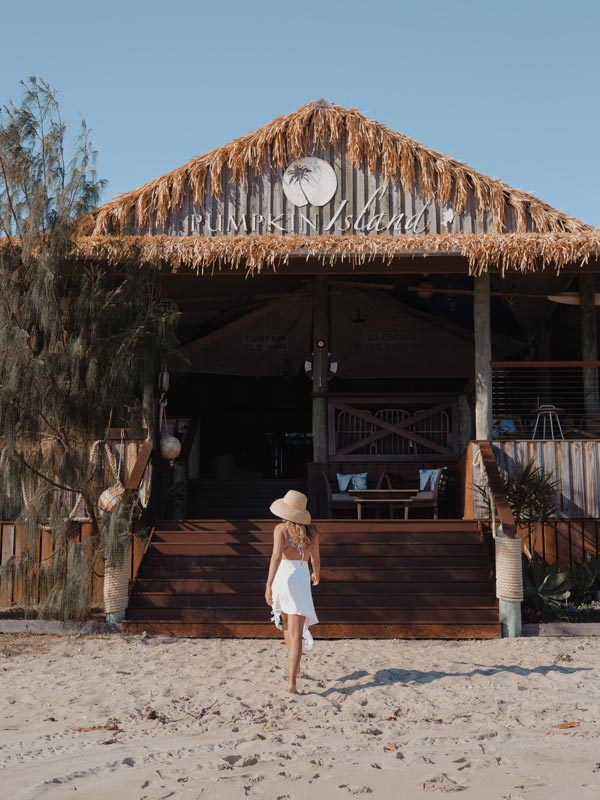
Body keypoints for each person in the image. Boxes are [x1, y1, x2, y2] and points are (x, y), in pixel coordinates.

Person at [265, 489, 320, 693]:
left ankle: (294, 671)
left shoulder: (280, 529)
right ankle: (292, 681)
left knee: (288, 627)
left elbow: (276, 557)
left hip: (283, 576)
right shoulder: (312, 531)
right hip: (300, 576)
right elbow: (316, 557)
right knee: (296, 632)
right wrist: (317, 573)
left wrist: (268, 584)